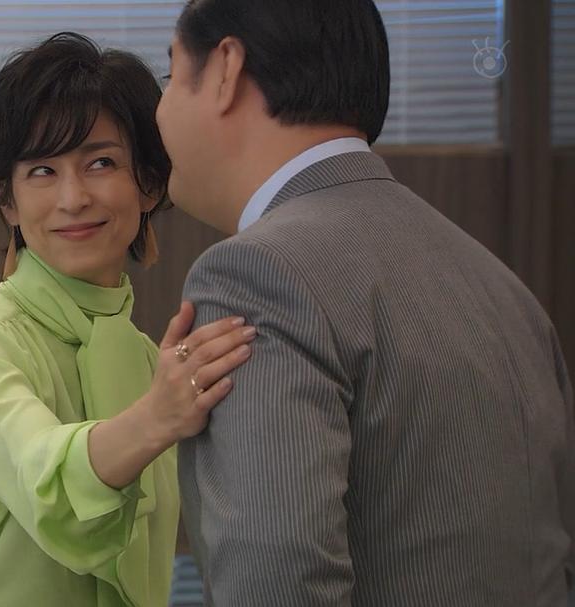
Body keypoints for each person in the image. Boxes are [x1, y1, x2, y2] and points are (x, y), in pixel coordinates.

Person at [156, 0, 575, 605]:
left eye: (171, 75)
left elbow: (275, 579)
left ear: (226, 69)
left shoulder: (254, 274)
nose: (160, 109)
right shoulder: (503, 287)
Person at [0, 32, 256, 607]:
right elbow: (47, 486)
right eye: (42, 170)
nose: (73, 198)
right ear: (8, 201)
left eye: (101, 163)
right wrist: (157, 418)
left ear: (148, 184)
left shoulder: (152, 363)